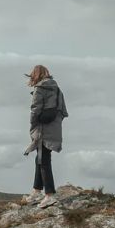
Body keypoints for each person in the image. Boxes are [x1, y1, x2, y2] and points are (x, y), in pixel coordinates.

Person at [22, 65, 68, 208]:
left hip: (42, 129)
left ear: (35, 76)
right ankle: (36, 191)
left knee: (43, 160)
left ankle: (50, 194)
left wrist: (33, 126)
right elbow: (63, 112)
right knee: (40, 158)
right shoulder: (57, 89)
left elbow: (35, 110)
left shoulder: (40, 89)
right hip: (54, 128)